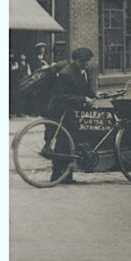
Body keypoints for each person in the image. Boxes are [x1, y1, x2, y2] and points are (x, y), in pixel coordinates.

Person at [42, 47, 96, 184]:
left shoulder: (84, 71)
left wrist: (94, 96)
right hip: (59, 111)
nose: (85, 64)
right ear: (76, 60)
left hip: (72, 112)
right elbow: (63, 96)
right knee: (62, 143)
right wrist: (84, 100)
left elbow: (86, 89)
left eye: (87, 61)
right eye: (83, 61)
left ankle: (68, 176)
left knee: (72, 142)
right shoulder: (66, 74)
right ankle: (55, 176)